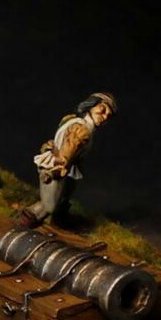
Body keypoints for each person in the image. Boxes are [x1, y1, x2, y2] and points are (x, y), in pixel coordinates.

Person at [19, 91, 117, 229]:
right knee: (50, 205)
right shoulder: (82, 130)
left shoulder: (73, 119)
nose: (105, 116)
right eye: (102, 110)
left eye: (108, 115)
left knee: (65, 195)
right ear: (91, 105)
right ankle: (26, 221)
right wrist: (59, 168)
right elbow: (67, 153)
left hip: (68, 167)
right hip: (58, 166)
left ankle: (58, 222)